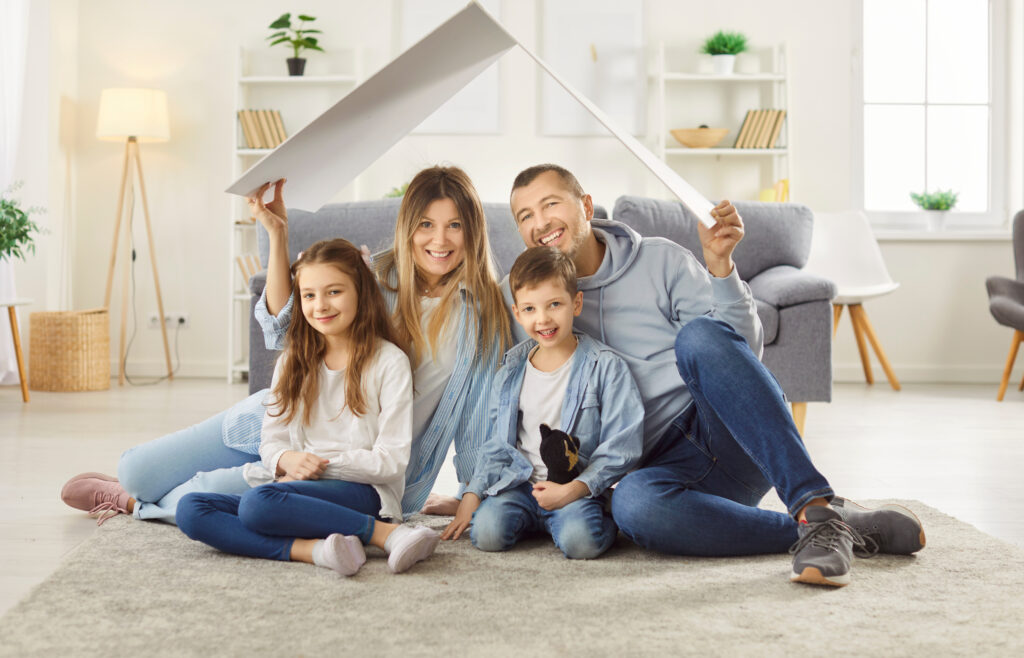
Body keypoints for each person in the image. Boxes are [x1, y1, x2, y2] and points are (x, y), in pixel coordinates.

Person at [502, 164, 925, 586]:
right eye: (525, 216)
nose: (541, 223)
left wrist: (720, 267)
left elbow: (739, 352)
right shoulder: (523, 302)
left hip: (729, 430)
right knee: (633, 506)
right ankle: (826, 527)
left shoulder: (660, 260)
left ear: (586, 206)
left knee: (700, 335)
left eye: (550, 204)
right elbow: (493, 386)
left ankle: (813, 504)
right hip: (658, 469)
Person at [60, 166, 511, 525]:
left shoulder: (483, 318)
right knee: (136, 472)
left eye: (455, 226)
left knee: (210, 498)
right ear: (408, 227)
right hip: (274, 423)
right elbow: (283, 334)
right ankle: (137, 492)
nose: (439, 240)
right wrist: (278, 236)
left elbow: (477, 419)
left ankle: (132, 504)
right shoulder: (371, 276)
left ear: (472, 231)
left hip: (339, 464)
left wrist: (468, 493)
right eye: (427, 224)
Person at [177, 239, 437, 574]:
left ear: (361, 292)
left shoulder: (389, 361)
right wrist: (286, 460)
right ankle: (319, 551)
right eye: (309, 295)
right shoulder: (293, 361)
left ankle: (385, 533)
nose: (320, 306)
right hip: (296, 487)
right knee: (192, 509)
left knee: (257, 505)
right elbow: (272, 441)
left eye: (334, 292)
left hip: (364, 491)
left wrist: (317, 467)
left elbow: (391, 462)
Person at [440, 247, 643, 559]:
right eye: (530, 309)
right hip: (521, 484)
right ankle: (535, 520)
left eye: (554, 304)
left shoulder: (605, 366)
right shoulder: (510, 370)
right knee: (486, 533)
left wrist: (574, 490)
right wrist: (472, 493)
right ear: (517, 313)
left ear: (576, 303)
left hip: (573, 486)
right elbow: (498, 445)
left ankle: (595, 517)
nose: (543, 318)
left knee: (581, 542)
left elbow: (622, 446)